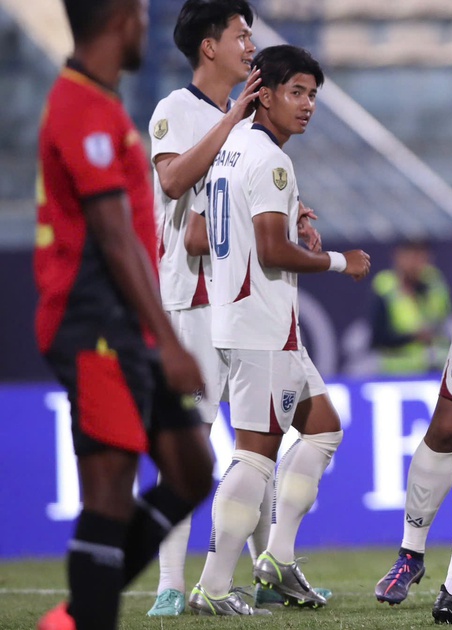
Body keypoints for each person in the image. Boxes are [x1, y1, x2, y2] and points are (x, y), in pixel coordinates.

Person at [35, 0, 215, 628]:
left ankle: (81, 612)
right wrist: (167, 340)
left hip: (126, 323)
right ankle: (87, 618)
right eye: (139, 15)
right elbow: (115, 239)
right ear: (118, 21)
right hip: (95, 325)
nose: (146, 26)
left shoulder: (104, 103)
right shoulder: (80, 108)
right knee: (109, 495)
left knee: (192, 471)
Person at [189, 44, 371, 615]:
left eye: (313, 93)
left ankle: (277, 560)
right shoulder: (270, 159)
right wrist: (343, 262)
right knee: (255, 455)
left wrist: (286, 217)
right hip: (260, 324)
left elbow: (198, 236)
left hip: (244, 319)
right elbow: (270, 250)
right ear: (263, 94)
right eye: (296, 91)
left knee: (322, 427)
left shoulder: (228, 149)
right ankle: (213, 587)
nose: (307, 104)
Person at [145, 0, 265, 616]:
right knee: (190, 444)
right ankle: (169, 583)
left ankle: (264, 571)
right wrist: (231, 124)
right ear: (210, 47)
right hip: (189, 300)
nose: (252, 44)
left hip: (239, 299)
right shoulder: (176, 110)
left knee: (258, 438)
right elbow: (171, 183)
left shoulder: (241, 119)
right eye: (242, 34)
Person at [369, 241, 452, 375]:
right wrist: (414, 336)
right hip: (397, 371)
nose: (417, 262)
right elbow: (377, 338)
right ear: (398, 257)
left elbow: (446, 321)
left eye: (422, 256)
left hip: (436, 368)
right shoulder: (385, 286)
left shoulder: (435, 282)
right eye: (411, 256)